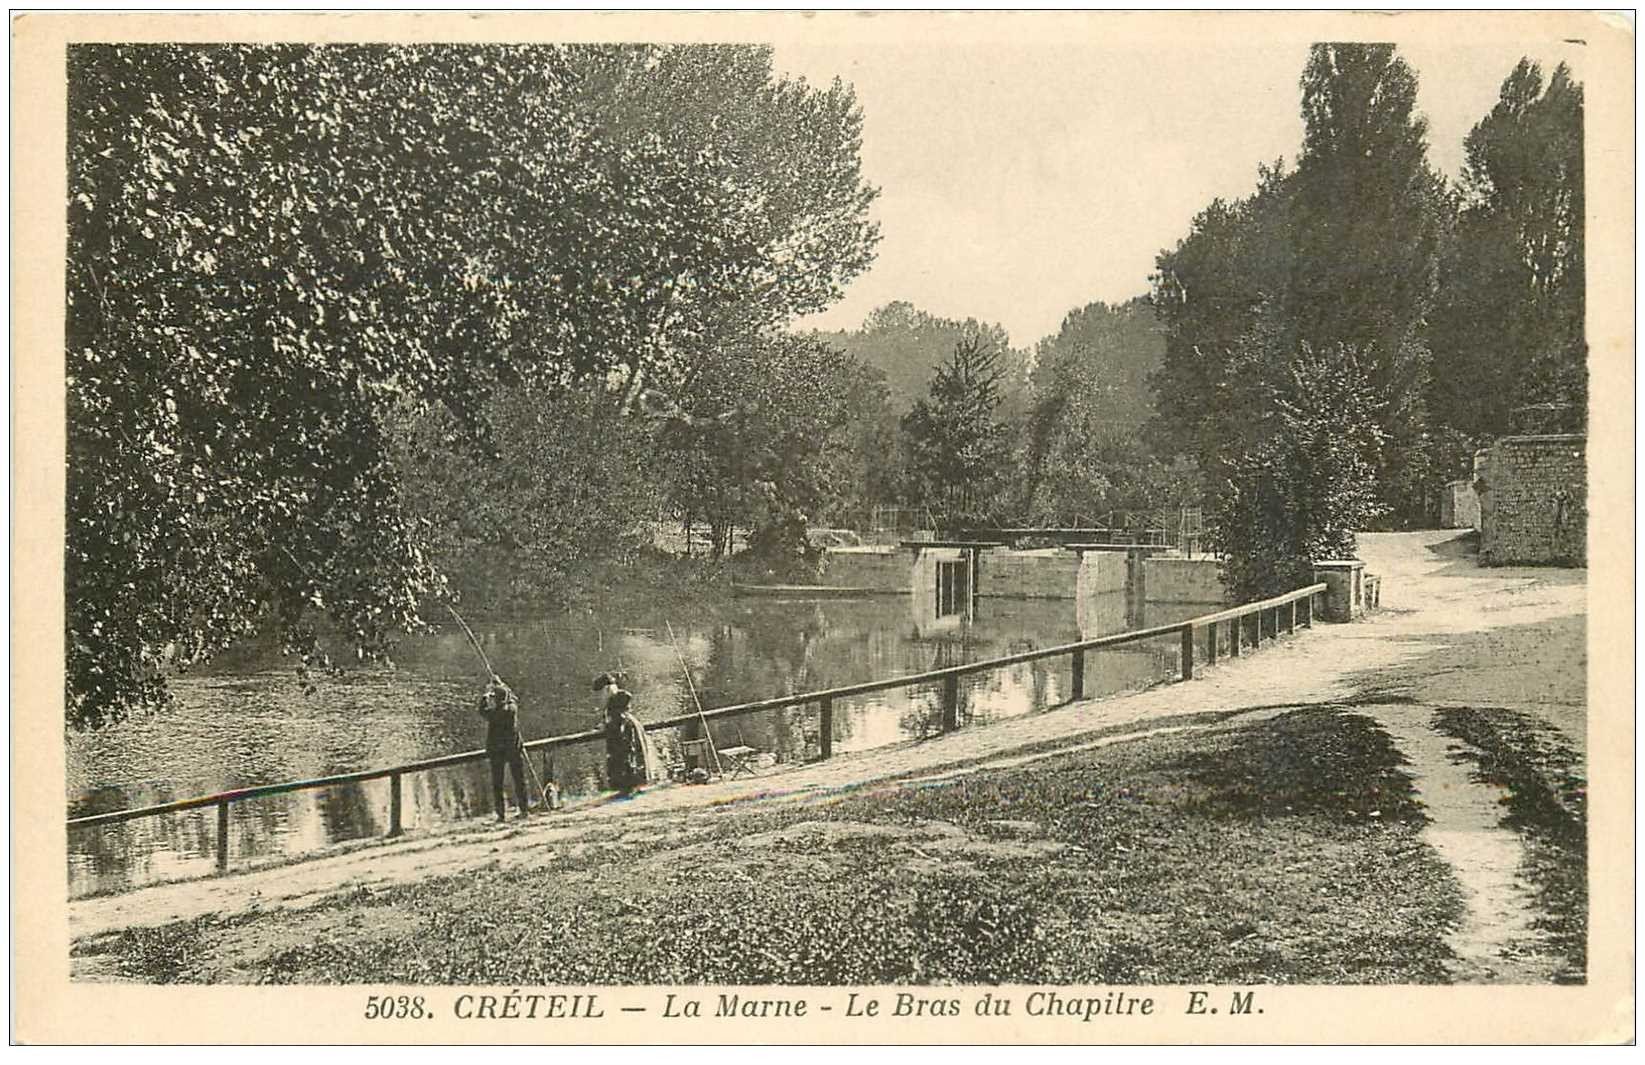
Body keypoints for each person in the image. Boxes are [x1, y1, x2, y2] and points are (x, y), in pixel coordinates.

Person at [594, 672, 659, 795]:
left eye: (601, 693)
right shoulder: (614, 701)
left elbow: (617, 718)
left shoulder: (616, 699)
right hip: (624, 727)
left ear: (606, 689)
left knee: (627, 754)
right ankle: (629, 784)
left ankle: (630, 785)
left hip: (625, 729)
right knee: (623, 755)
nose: (599, 698)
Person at [478, 674, 530, 821]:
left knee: (497, 784)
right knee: (519, 780)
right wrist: (501, 684)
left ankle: (501, 814)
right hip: (513, 749)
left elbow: (481, 710)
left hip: (497, 752)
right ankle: (524, 810)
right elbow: (512, 697)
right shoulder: (512, 709)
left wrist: (485, 695)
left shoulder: (493, 713)